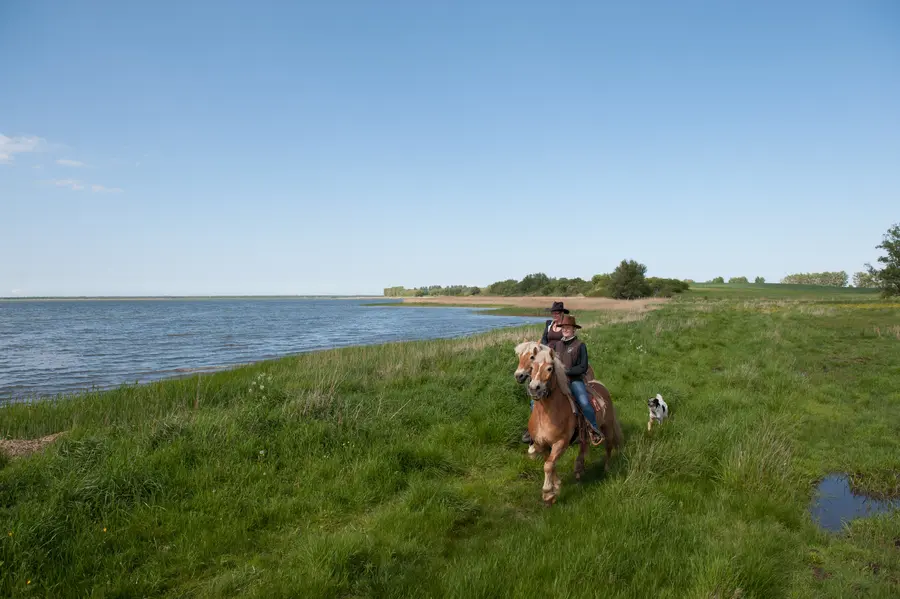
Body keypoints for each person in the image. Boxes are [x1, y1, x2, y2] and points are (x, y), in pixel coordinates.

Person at [551, 315, 603, 446]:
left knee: (584, 403)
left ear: (574, 329)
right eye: (563, 327)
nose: (565, 330)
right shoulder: (557, 345)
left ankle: (594, 430)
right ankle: (534, 432)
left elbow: (583, 367)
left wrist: (566, 372)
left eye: (568, 328)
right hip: (558, 381)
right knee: (539, 398)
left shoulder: (580, 345)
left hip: (575, 380)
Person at [521, 302, 569, 445]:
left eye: (557, 312)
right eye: (553, 312)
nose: (555, 314)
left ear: (562, 313)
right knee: (535, 387)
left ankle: (578, 425)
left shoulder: (566, 325)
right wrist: (542, 354)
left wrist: (556, 356)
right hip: (545, 358)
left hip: (559, 358)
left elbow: (567, 342)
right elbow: (544, 340)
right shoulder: (549, 324)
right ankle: (533, 429)